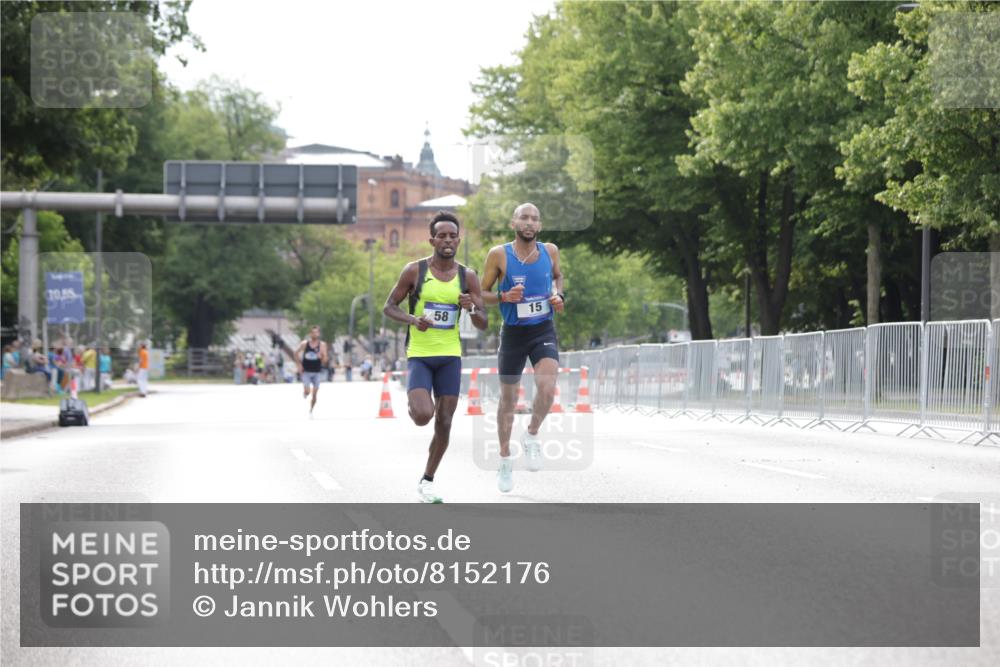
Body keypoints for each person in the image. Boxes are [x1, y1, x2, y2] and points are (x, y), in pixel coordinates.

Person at [383, 211, 487, 503]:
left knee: (444, 421)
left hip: (450, 356)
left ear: (458, 239)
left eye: (452, 235)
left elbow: (483, 322)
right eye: (441, 235)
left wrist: (471, 308)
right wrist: (412, 320)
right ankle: (415, 403)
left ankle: (427, 480)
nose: (447, 240)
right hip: (420, 354)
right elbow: (388, 307)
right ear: (432, 240)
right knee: (423, 416)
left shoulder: (468, 277)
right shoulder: (414, 271)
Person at [480, 202, 565, 493]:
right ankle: (505, 459)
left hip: (543, 328)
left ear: (539, 226)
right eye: (524, 218)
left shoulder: (550, 251)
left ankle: (531, 434)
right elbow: (481, 293)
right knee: (508, 399)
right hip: (514, 333)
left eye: (534, 219)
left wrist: (558, 295)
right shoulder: (498, 254)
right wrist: (503, 297)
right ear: (513, 223)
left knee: (547, 386)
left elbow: (558, 277)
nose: (529, 223)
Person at [294, 325, 328, 415]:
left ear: (319, 334)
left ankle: (311, 410)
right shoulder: (305, 344)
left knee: (314, 394)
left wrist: (322, 356)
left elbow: (325, 360)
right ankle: (305, 392)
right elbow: (296, 353)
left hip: (317, 372)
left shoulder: (322, 345)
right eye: (313, 332)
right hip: (306, 372)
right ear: (310, 334)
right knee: (308, 391)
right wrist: (299, 365)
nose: (314, 334)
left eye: (316, 332)